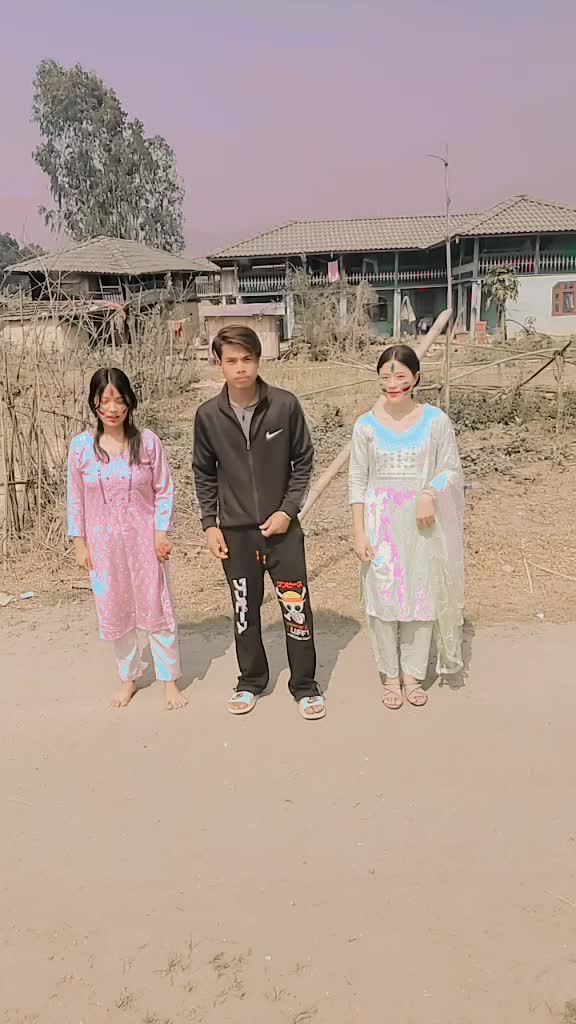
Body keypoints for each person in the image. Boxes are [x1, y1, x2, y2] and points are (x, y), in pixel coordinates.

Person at [192, 325, 325, 720]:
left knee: (296, 608)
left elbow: (303, 461)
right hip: (236, 535)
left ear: (258, 359)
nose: (240, 368)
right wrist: (210, 524)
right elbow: (204, 473)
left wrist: (287, 511)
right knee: (244, 611)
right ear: (219, 364)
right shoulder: (208, 416)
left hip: (283, 532)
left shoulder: (284, 406)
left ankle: (305, 685)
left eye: (247, 359)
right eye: (231, 360)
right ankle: (250, 680)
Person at [349, 345, 464, 708]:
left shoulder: (435, 421)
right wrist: (359, 532)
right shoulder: (365, 425)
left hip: (422, 524)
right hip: (379, 524)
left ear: (416, 378)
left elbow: (450, 468)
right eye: (385, 377)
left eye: (400, 376)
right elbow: (357, 479)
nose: (393, 384)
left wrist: (429, 493)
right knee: (383, 597)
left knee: (421, 595)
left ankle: (413, 675)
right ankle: (390, 675)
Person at [67, 367, 186, 711]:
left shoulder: (147, 442)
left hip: (144, 542)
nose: (112, 408)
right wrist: (79, 542)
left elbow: (164, 489)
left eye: (119, 400)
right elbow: (75, 497)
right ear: (94, 403)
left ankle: (169, 680)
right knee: (114, 608)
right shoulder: (81, 447)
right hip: (103, 546)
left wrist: (161, 532)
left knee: (157, 606)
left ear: (130, 402)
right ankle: (128, 677)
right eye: (104, 401)